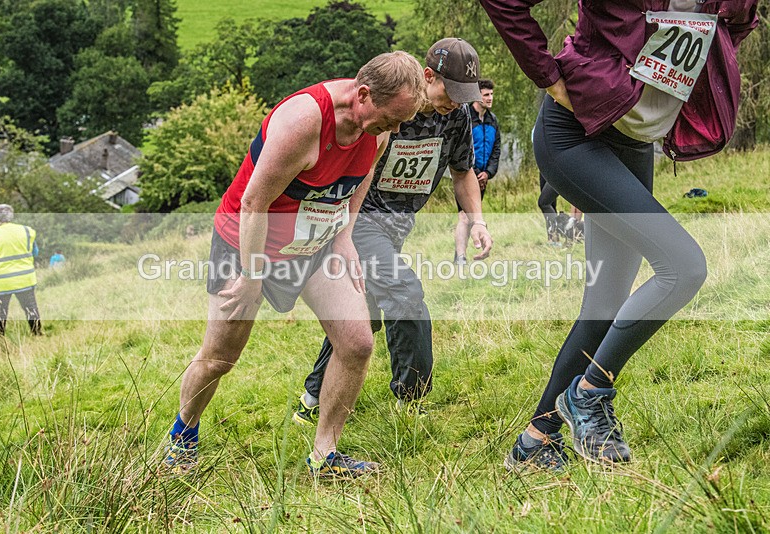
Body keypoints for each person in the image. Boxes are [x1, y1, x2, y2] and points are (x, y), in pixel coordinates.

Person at [480, 0, 757, 470]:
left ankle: (535, 442)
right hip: (575, 134)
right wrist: (548, 76)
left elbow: (735, 26)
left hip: (632, 145)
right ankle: (589, 393)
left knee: (604, 306)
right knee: (684, 267)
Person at [164, 51, 426, 478]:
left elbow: (358, 182)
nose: (393, 132)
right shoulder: (303, 121)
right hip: (247, 240)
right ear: (362, 94)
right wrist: (252, 276)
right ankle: (182, 436)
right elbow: (254, 202)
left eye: (400, 123)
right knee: (220, 357)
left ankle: (325, 456)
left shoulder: (376, 128)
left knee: (357, 342)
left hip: (314, 242)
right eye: (389, 120)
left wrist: (344, 237)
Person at [294, 38, 493, 425]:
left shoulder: (457, 116)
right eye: (450, 91)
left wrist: (478, 220)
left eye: (463, 95)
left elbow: (463, 170)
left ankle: (312, 397)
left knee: (362, 313)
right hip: (360, 220)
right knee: (405, 293)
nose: (456, 101)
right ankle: (411, 399)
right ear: (427, 75)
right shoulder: (393, 109)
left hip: (398, 225)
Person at [0, 204, 42, 337]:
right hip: (24, 279)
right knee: (31, 309)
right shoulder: (26, 231)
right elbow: (35, 252)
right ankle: (37, 334)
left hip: (0, 282)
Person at [455, 78, 500, 263]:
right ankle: (460, 257)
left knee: (475, 217)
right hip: (467, 175)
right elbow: (460, 147)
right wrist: (472, 172)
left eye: (491, 94)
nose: (490, 98)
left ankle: (471, 253)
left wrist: (488, 173)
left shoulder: (492, 120)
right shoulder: (466, 118)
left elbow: (496, 149)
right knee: (465, 217)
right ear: (477, 95)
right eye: (486, 95)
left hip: (483, 177)